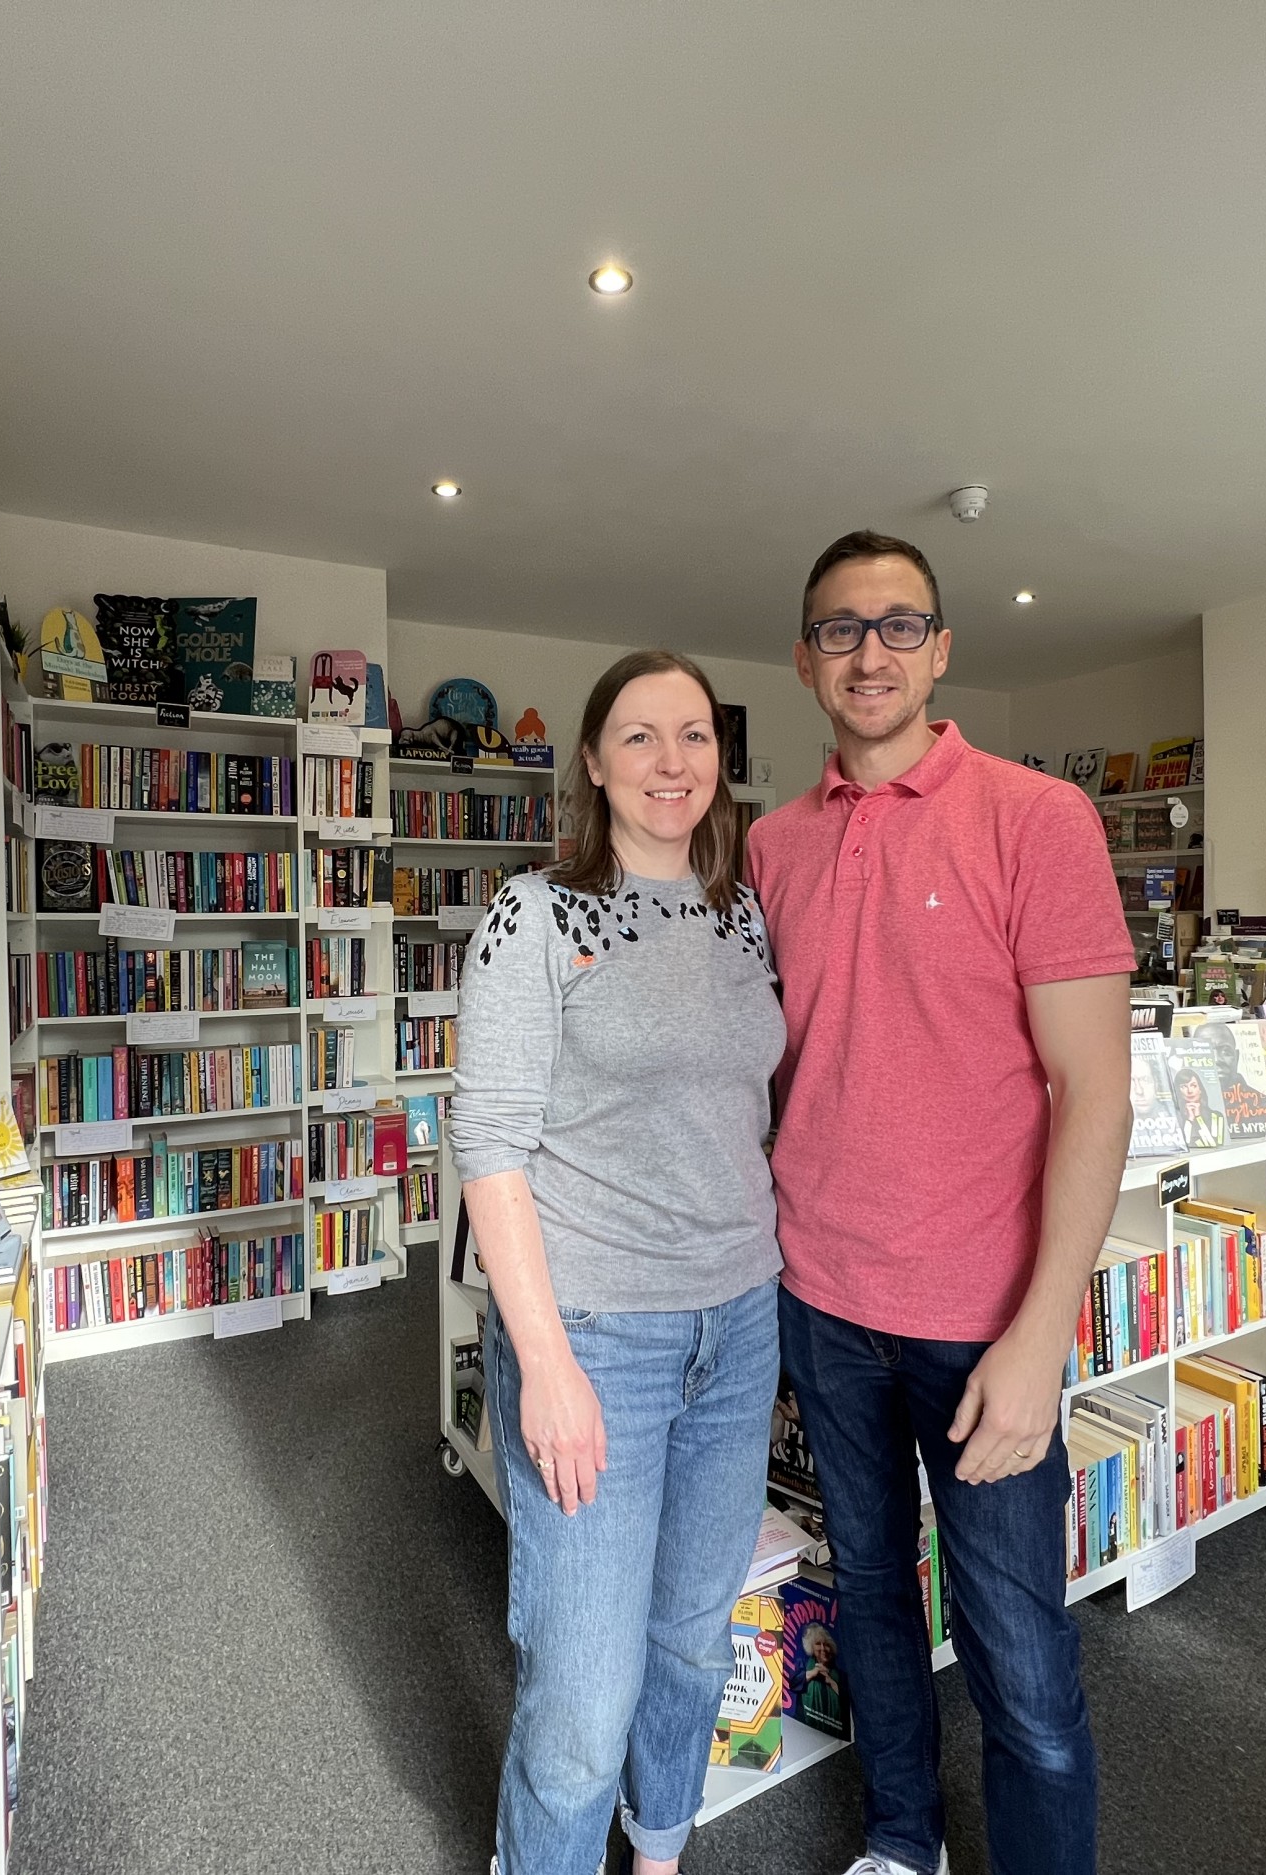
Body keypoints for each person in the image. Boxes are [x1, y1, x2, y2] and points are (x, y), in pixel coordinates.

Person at [747, 531, 1135, 1875]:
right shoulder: (771, 842)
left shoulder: (1037, 817)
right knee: (869, 1597)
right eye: (842, 629)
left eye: (899, 625)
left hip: (983, 1318)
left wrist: (1041, 1334)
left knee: (1021, 1649)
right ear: (807, 658)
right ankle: (904, 1839)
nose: (871, 651)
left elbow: (1096, 1092)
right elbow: (780, 1062)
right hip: (823, 1298)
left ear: (943, 648)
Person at [450, 649, 786, 1875]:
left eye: (692, 735)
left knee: (693, 1644)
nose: (669, 761)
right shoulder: (533, 916)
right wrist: (542, 1363)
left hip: (739, 1326)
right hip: (595, 1337)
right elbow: (487, 1145)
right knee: (583, 1701)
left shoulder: (741, 910)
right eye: (638, 736)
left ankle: (659, 1855)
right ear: (592, 762)